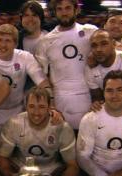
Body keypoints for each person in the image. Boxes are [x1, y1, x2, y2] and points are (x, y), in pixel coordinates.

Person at [0, 87, 84, 176]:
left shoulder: (62, 127)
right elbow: (1, 158)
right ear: (26, 106)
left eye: (42, 107)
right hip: (21, 168)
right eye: (32, 106)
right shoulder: (14, 124)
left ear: (49, 107)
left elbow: (73, 166)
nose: (36, 113)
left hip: (52, 170)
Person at [35, 0, 97, 130]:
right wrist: (49, 103)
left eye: (68, 8)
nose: (64, 12)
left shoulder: (91, 32)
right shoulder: (46, 41)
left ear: (76, 10)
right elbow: (42, 76)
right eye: (60, 9)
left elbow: (113, 48)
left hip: (88, 98)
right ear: (55, 12)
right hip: (59, 101)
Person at [0, 24, 51, 141]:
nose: (3, 45)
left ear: (15, 44)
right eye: (0, 40)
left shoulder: (25, 57)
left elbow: (42, 82)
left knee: (17, 150)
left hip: (17, 111)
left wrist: (51, 106)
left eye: (8, 41)